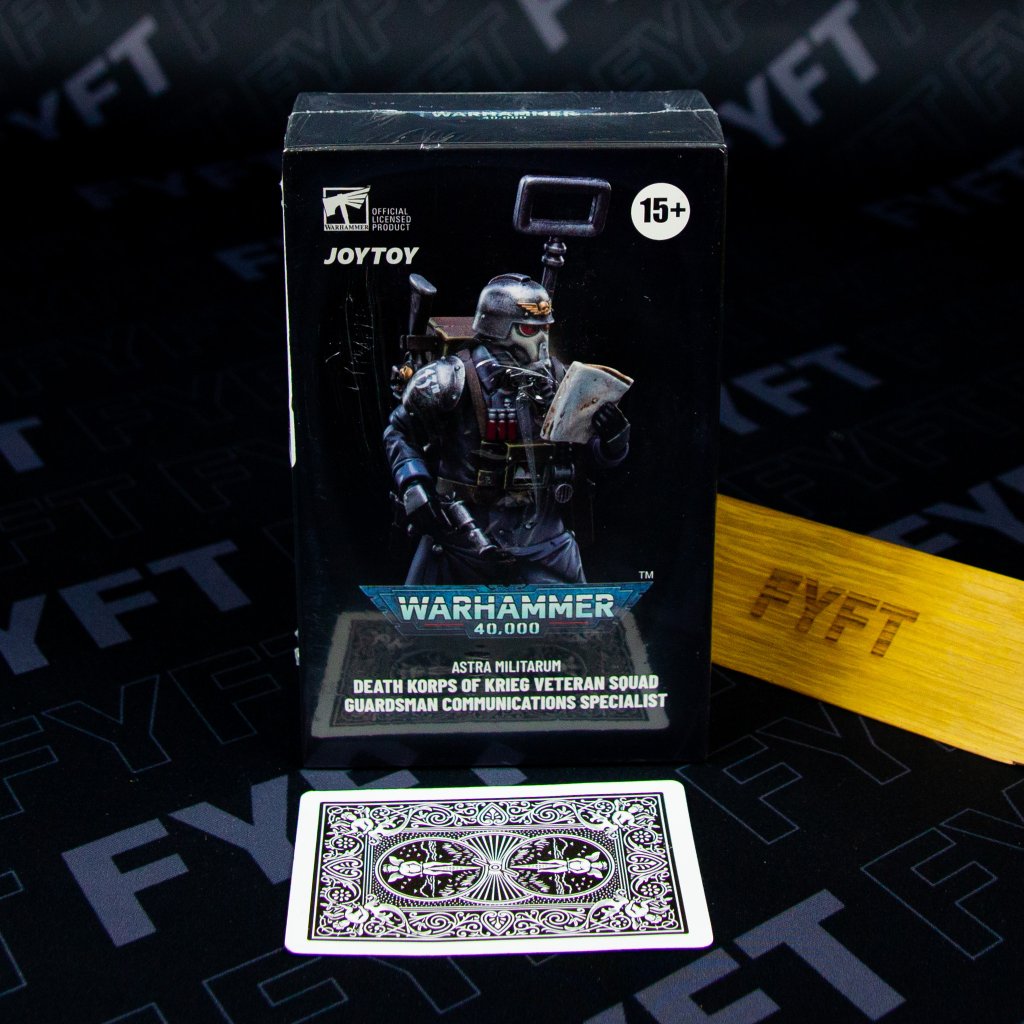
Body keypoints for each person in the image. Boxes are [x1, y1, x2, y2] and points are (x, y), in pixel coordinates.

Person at [384, 273, 629, 585]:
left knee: (576, 615)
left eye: (545, 328)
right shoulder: (450, 378)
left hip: (545, 543)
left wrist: (613, 442)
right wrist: (414, 484)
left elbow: (584, 451)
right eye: (528, 329)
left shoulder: (559, 379)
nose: (541, 340)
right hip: (463, 539)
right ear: (498, 327)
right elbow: (398, 430)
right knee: (421, 614)